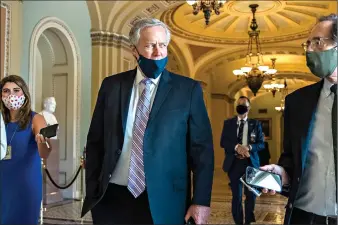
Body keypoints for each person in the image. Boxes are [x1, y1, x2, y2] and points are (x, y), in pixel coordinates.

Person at [81, 18, 214, 224]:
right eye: (150, 45)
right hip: (113, 198)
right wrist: (93, 192)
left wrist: (201, 201)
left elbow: (202, 150)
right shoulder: (112, 86)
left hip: (166, 200)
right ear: (135, 50)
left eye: (162, 45)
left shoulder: (187, 90)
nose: (158, 52)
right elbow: (95, 142)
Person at [261, 14, 337, 225]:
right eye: (308, 43)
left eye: (318, 42)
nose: (309, 50)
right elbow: (291, 160)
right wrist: (281, 173)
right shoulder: (297, 102)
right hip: (305, 217)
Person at [0, 75, 52, 224]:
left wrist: (42, 141)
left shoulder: (36, 119)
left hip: (25, 184)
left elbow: (45, 152)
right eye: (6, 91)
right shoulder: (0, 120)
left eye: (16, 90)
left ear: (24, 94)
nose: (11, 95)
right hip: (3, 182)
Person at [220, 96, 264, 224]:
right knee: (237, 196)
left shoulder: (256, 124)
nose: (240, 106)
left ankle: (248, 221)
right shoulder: (228, 123)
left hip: (250, 164)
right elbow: (223, 142)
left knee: (251, 196)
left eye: (243, 104)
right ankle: (238, 222)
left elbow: (261, 144)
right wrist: (236, 147)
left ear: (249, 107)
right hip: (234, 164)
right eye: (238, 104)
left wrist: (249, 147)